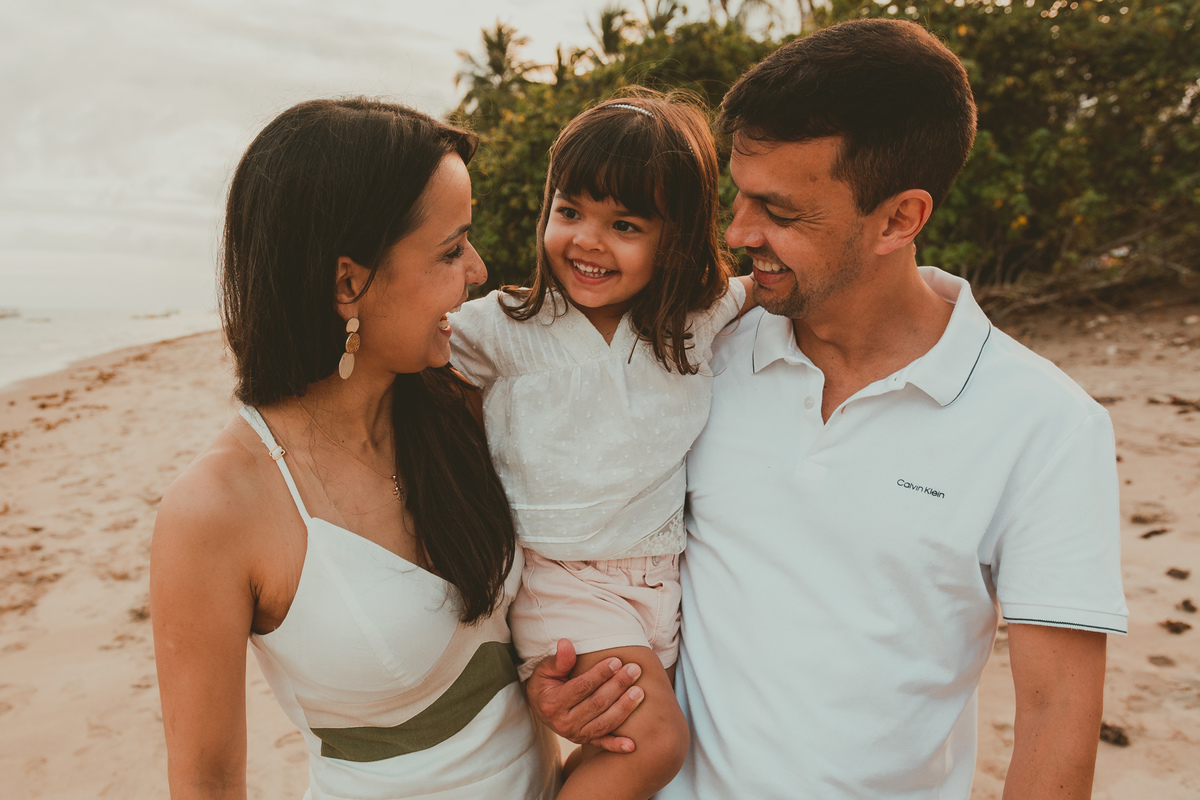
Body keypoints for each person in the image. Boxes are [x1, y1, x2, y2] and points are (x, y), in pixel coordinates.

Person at [536, 19, 1127, 799]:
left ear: (899, 219)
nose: (740, 232)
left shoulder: (1047, 426)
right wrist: (566, 681)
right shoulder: (691, 352)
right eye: (740, 196)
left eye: (780, 213)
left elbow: (1055, 723)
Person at [151, 97, 579, 799]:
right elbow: (207, 782)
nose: (476, 269)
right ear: (348, 282)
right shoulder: (215, 512)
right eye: (449, 250)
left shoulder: (466, 405)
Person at [449, 92, 755, 800]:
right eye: (570, 212)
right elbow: (417, 346)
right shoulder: (506, 325)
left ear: (674, 239)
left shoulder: (694, 322)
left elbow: (770, 290)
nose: (587, 240)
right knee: (654, 744)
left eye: (625, 224)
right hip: (562, 578)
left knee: (617, 750)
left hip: (659, 586)